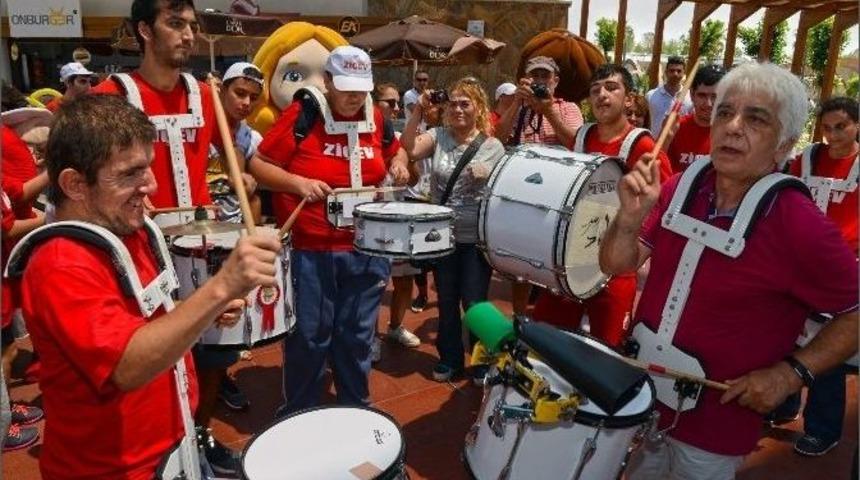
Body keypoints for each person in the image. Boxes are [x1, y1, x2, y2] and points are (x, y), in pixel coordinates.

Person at [599, 62, 858, 479]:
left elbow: (856, 312)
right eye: (725, 112)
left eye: (756, 119)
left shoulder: (800, 222)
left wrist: (792, 374)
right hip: (645, 400)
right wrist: (629, 218)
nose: (733, 127)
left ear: (785, 143)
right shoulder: (680, 186)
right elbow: (616, 264)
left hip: (716, 429)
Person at [16, 93, 280, 480]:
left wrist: (202, 311)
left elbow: (148, 321)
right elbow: (127, 366)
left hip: (173, 449)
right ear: (74, 184)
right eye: (129, 174)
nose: (151, 186)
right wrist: (220, 287)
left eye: (148, 169)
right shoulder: (61, 262)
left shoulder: (129, 230)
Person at [247, 45, 410, 414]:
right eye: (346, 87)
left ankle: (355, 407)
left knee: (357, 335)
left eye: (361, 88)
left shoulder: (377, 118)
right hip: (312, 249)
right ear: (327, 81)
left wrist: (398, 164)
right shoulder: (303, 114)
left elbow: (395, 150)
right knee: (309, 336)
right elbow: (259, 165)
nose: (354, 97)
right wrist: (298, 183)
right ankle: (301, 410)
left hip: (367, 248)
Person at [531, 64, 672, 348]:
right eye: (595, 91)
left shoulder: (644, 146)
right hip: (573, 261)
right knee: (546, 342)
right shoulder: (583, 137)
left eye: (611, 88)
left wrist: (637, 246)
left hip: (616, 270)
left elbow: (663, 202)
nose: (601, 95)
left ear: (629, 98)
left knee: (607, 352)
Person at [768, 96, 859, 457]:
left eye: (842, 127)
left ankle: (823, 428)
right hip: (798, 262)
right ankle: (785, 402)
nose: (833, 135)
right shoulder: (805, 159)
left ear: (857, 126)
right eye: (827, 127)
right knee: (785, 335)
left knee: (827, 347)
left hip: (844, 266)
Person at [401, 78, 506, 382]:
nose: (459, 109)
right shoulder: (439, 136)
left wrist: (488, 172)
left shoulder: (491, 145)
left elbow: (498, 178)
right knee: (446, 300)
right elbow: (408, 148)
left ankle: (483, 361)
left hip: (475, 239)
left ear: (479, 108)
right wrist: (418, 112)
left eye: (466, 103)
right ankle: (450, 359)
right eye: (454, 103)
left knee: (474, 302)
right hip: (442, 237)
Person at [92, 0, 217, 216]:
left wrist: (243, 174)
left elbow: (234, 148)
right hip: (137, 232)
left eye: (192, 27)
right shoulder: (107, 97)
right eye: (176, 24)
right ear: (145, 30)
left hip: (201, 234)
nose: (188, 36)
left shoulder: (205, 94)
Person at [199, 62, 266, 423]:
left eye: (253, 97)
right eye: (239, 93)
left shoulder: (248, 136)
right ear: (221, 90)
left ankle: (219, 381)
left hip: (229, 239)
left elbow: (260, 169)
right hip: (192, 238)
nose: (246, 102)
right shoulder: (197, 123)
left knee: (224, 324)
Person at [371, 83, 421, 358]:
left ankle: (396, 326)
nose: (396, 107)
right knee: (373, 285)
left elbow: (413, 179)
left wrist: (404, 165)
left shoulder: (399, 137)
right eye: (390, 102)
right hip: (370, 221)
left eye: (398, 102)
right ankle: (370, 337)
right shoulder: (364, 133)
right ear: (375, 104)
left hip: (398, 219)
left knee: (404, 281)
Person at [494, 55, 583, 148]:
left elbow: (576, 145)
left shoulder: (568, 108)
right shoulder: (519, 110)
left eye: (545, 76)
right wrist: (516, 102)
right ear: (526, 79)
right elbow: (498, 140)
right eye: (535, 76)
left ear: (555, 81)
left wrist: (549, 111)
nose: (540, 81)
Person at [665, 64, 726, 173]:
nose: (708, 104)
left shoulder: (730, 133)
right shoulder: (676, 128)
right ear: (692, 95)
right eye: (702, 95)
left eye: (715, 96)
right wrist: (666, 138)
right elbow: (659, 166)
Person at [646, 56, 692, 137]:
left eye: (679, 71)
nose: (675, 74)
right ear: (666, 72)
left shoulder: (690, 97)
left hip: (680, 146)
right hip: (655, 145)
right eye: (672, 70)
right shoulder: (651, 96)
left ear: (684, 73)